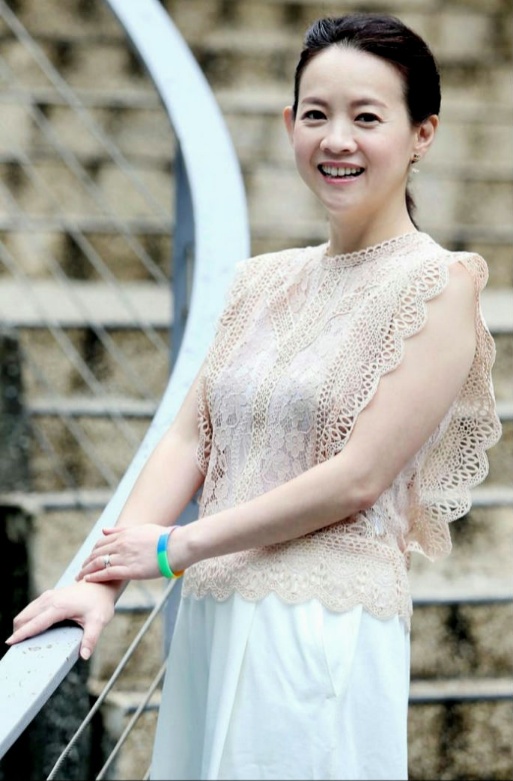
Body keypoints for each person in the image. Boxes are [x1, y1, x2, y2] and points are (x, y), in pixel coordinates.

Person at [6, 12, 502, 781]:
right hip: (212, 617)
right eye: (316, 114)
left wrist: (174, 548)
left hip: (315, 629)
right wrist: (99, 584)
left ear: (422, 134)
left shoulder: (436, 284)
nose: (336, 139)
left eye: (367, 118)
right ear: (288, 123)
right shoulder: (260, 280)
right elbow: (188, 439)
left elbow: (358, 477)